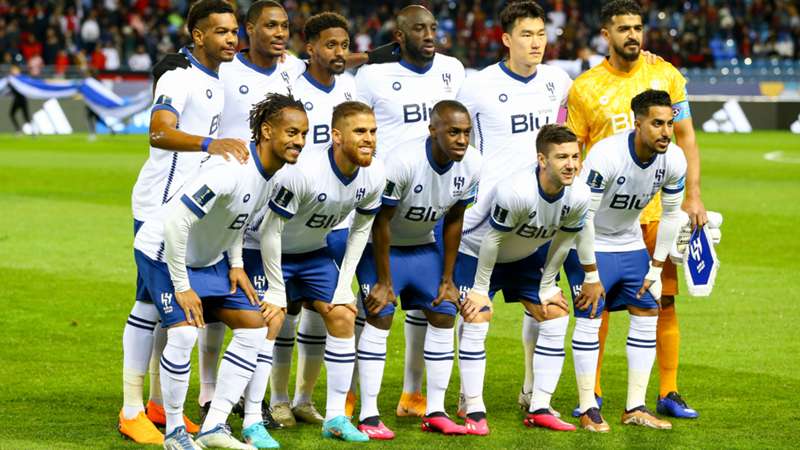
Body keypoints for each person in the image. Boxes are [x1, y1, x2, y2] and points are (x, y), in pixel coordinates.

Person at [133, 92, 308, 450]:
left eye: (303, 134)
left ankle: (214, 427)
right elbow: (177, 222)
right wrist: (182, 286)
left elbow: (233, 220)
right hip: (163, 253)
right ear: (266, 131)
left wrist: (237, 264)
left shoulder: (269, 176)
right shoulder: (231, 170)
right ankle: (175, 434)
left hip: (208, 259)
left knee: (254, 329)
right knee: (183, 336)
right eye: (291, 132)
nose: (299, 141)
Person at [566, 0, 706, 419]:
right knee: (598, 301)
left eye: (638, 27)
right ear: (605, 34)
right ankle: (594, 393)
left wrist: (693, 196)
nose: (633, 35)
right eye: (623, 28)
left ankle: (667, 390)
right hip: (603, 217)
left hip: (653, 216)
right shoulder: (585, 88)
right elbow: (571, 148)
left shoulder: (666, 75)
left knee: (661, 300)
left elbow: (686, 138)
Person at [118, 0, 248, 444]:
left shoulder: (218, 80)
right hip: (157, 207)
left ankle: (156, 402)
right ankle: (131, 409)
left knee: (158, 307)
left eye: (233, 31)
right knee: (149, 305)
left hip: (186, 209)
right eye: (221, 32)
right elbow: (158, 131)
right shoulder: (179, 77)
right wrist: (210, 143)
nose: (231, 39)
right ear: (197, 36)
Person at [454, 1, 576, 415]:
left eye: (541, 34)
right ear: (506, 40)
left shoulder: (557, 81)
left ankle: (534, 397)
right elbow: (452, 135)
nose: (536, 42)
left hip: (533, 226)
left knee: (552, 312)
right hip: (482, 224)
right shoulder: (477, 86)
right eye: (526, 35)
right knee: (471, 314)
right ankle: (467, 402)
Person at [354, 4, 466, 417]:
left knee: (429, 304)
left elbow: (462, 126)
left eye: (433, 27)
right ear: (399, 36)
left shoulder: (453, 69)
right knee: (360, 306)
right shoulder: (372, 76)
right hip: (377, 199)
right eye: (419, 29)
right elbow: (352, 123)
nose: (430, 34)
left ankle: (413, 394)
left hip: (432, 202)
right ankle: (350, 396)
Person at [256, 101, 385, 442]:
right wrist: (274, 286)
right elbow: (270, 231)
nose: (369, 139)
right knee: (270, 320)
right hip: (271, 252)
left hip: (313, 254)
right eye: (360, 131)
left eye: (372, 131)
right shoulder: (304, 171)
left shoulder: (374, 173)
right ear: (337, 136)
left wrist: (344, 285)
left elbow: (360, 230)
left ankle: (335, 418)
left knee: (343, 314)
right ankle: (259, 412)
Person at [454, 124, 596, 434]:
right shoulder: (516, 191)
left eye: (575, 156)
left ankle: (539, 406)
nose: (571, 164)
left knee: (555, 313)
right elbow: (492, 241)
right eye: (561, 157)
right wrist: (479, 290)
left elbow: (562, 242)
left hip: (525, 255)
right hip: (477, 253)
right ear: (542, 160)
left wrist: (547, 285)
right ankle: (473, 406)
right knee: (477, 317)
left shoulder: (580, 194)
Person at [353, 100, 480, 439]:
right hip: (379, 247)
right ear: (433, 130)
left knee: (443, 311)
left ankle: (435, 410)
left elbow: (455, 219)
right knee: (380, 315)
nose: (462, 140)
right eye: (453, 132)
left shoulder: (473, 164)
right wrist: (384, 280)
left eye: (466, 133)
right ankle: (368, 414)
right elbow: (381, 221)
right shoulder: (403, 161)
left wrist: (448, 279)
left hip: (423, 246)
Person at [577, 89, 687, 430]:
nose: (666, 131)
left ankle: (635, 407)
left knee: (647, 312)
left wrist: (656, 267)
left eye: (670, 123)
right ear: (637, 123)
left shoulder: (674, 159)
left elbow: (671, 215)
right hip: (590, 243)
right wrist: (591, 273)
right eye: (657, 124)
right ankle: (586, 408)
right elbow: (582, 218)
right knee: (590, 316)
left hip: (631, 243)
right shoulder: (607, 155)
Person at [270, 11, 359, 427]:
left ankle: (305, 398)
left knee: (325, 311)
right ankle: (278, 399)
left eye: (343, 45)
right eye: (330, 45)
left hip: (336, 219)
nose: (338, 52)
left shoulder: (350, 88)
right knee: (283, 312)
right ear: (310, 48)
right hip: (291, 210)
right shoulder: (289, 86)